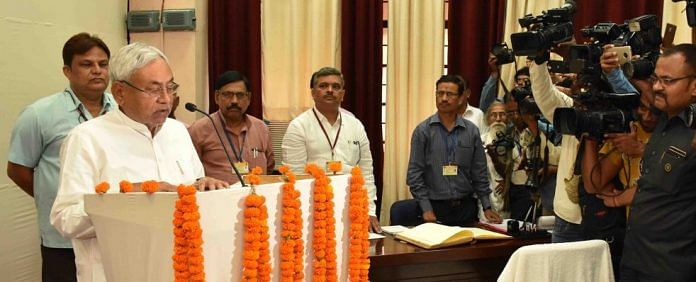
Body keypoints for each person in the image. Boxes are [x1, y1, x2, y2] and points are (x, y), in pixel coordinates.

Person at [50, 42, 228, 282]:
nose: (166, 99)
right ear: (120, 92)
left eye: (170, 87)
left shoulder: (178, 132)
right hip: (116, 273)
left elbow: (191, 187)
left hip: (178, 270)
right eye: (153, 90)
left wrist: (204, 186)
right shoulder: (87, 138)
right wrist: (128, 200)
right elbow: (65, 219)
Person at [6, 33, 114, 282]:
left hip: (111, 233)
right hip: (62, 239)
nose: (97, 71)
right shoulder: (39, 114)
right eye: (87, 64)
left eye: (103, 64)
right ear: (67, 71)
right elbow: (17, 169)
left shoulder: (121, 112)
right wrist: (55, 197)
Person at [621, 44, 696, 281]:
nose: (656, 87)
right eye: (655, 79)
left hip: (670, 269)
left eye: (667, 80)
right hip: (635, 260)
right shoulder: (664, 116)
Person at [282, 66, 381, 232]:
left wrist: (370, 210)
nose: (330, 90)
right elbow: (294, 177)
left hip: (352, 207)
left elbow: (366, 172)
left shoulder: (355, 125)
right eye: (323, 86)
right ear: (313, 92)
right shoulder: (298, 127)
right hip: (313, 210)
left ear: (342, 93)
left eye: (336, 87)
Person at [407, 74, 502, 226]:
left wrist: (487, 206)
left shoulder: (471, 131)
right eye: (440, 93)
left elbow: (479, 172)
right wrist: (426, 208)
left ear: (460, 98)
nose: (443, 98)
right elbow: (414, 174)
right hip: (434, 208)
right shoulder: (423, 131)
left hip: (465, 208)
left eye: (449, 94)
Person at [530, 52, 584, 243]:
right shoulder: (569, 109)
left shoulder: (618, 112)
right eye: (578, 80)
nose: (580, 85)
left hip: (604, 216)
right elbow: (544, 95)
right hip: (567, 216)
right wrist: (538, 60)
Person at [188, 71, 274, 184]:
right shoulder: (199, 129)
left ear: (248, 98)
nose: (234, 101)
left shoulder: (261, 129)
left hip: (256, 197)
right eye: (227, 95)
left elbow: (269, 166)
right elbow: (189, 172)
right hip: (217, 198)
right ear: (216, 97)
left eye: (240, 95)